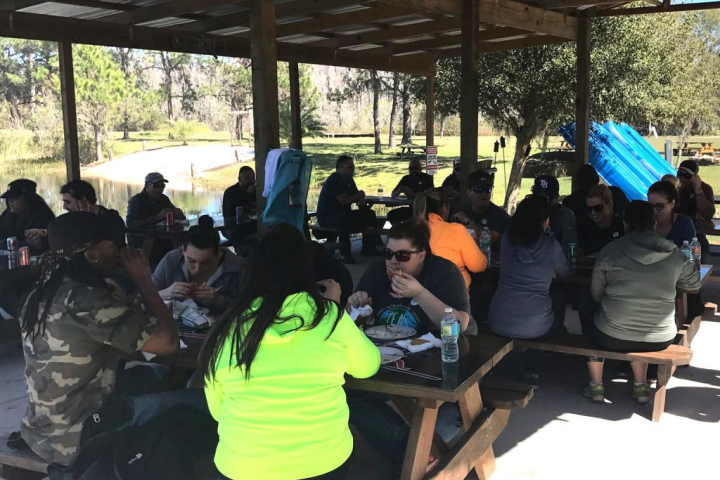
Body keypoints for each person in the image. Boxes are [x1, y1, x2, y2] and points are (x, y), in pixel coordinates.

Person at [16, 212, 202, 466]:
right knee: (200, 400)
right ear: (92, 255)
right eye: (115, 246)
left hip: (42, 428)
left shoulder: (42, 292)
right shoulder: (88, 301)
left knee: (160, 374)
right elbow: (167, 342)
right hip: (77, 436)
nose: (122, 252)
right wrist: (143, 280)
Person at [200, 223, 380, 480]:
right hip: (323, 463)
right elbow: (367, 365)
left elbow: (219, 410)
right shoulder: (327, 315)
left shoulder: (228, 327)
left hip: (242, 468)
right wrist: (336, 306)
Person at [583, 201, 700, 403]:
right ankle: (640, 385)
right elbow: (694, 285)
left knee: (589, 318)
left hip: (611, 335)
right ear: (654, 223)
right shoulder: (674, 253)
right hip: (661, 336)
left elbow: (596, 293)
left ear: (626, 224)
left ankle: (596, 386)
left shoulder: (610, 251)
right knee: (638, 331)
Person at [349, 220, 471, 335]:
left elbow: (460, 325)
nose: (393, 261)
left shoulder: (445, 272)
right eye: (388, 253)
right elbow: (354, 322)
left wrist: (419, 294)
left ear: (421, 256)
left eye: (402, 255)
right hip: (385, 348)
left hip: (432, 349)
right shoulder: (378, 269)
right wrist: (357, 306)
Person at [489, 196, 569, 339]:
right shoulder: (552, 246)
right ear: (545, 221)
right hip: (536, 326)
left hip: (498, 320)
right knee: (559, 296)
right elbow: (565, 272)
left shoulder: (506, 240)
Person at [152, 216, 243, 315]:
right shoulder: (171, 260)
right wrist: (166, 293)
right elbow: (142, 300)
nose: (197, 269)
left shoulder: (236, 267)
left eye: (205, 263)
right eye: (191, 261)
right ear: (183, 250)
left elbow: (248, 309)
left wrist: (218, 300)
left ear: (217, 254)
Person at [413, 188, 487, 288]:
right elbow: (478, 266)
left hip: (413, 289)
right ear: (445, 207)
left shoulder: (408, 229)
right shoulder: (456, 230)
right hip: (452, 294)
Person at [317, 155, 383, 264]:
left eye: (353, 167)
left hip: (344, 214)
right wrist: (358, 195)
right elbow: (344, 200)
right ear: (342, 167)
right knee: (343, 219)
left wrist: (361, 200)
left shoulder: (349, 180)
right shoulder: (334, 179)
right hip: (328, 217)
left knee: (369, 214)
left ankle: (368, 247)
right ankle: (345, 253)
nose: (353, 169)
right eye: (350, 167)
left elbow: (356, 196)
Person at [126, 172, 185, 250]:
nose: (160, 189)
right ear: (147, 186)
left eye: (162, 186)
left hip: (162, 238)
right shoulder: (136, 201)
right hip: (140, 240)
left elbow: (182, 218)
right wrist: (157, 217)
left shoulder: (164, 199)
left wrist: (178, 214)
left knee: (182, 240)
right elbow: (130, 224)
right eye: (156, 185)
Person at [453, 170, 510, 250]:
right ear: (468, 192)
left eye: (488, 189)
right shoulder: (461, 211)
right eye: (478, 189)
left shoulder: (499, 215)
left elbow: (488, 242)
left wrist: (468, 221)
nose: (484, 194)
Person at [60, 179, 127, 247]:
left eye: (68, 202)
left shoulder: (112, 220)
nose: (64, 207)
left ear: (83, 200)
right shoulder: (72, 221)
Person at [0, 179, 55, 255]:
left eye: (15, 198)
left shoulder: (43, 216)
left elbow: (34, 245)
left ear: (28, 198)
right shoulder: (7, 215)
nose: (10, 201)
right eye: (8, 198)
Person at [675, 160, 715, 263]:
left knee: (701, 254)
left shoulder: (705, 188)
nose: (682, 178)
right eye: (679, 174)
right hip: (675, 230)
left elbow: (708, 214)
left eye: (686, 176)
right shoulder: (674, 186)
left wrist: (698, 192)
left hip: (695, 233)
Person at [563, 164, 629, 220]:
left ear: (577, 183)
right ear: (598, 179)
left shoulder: (570, 202)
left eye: (598, 208)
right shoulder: (615, 193)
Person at [530, 175, 577, 251]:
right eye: (538, 197)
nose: (542, 201)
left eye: (548, 198)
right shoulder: (527, 212)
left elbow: (569, 247)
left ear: (557, 197)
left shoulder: (564, 214)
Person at [577, 184, 625, 256]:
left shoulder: (621, 226)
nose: (593, 213)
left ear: (609, 205)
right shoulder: (584, 227)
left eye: (598, 208)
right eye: (589, 209)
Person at [648, 181, 696, 248]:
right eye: (650, 205)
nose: (654, 210)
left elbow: (690, 254)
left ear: (672, 204)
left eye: (660, 206)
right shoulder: (643, 222)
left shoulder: (683, 224)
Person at [387, 158, 435, 225]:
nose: (413, 170)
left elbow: (430, 196)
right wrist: (398, 191)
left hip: (424, 210)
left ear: (421, 169)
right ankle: (400, 233)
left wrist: (413, 194)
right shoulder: (406, 178)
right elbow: (393, 194)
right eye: (411, 168)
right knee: (391, 215)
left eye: (416, 168)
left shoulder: (427, 178)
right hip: (411, 209)